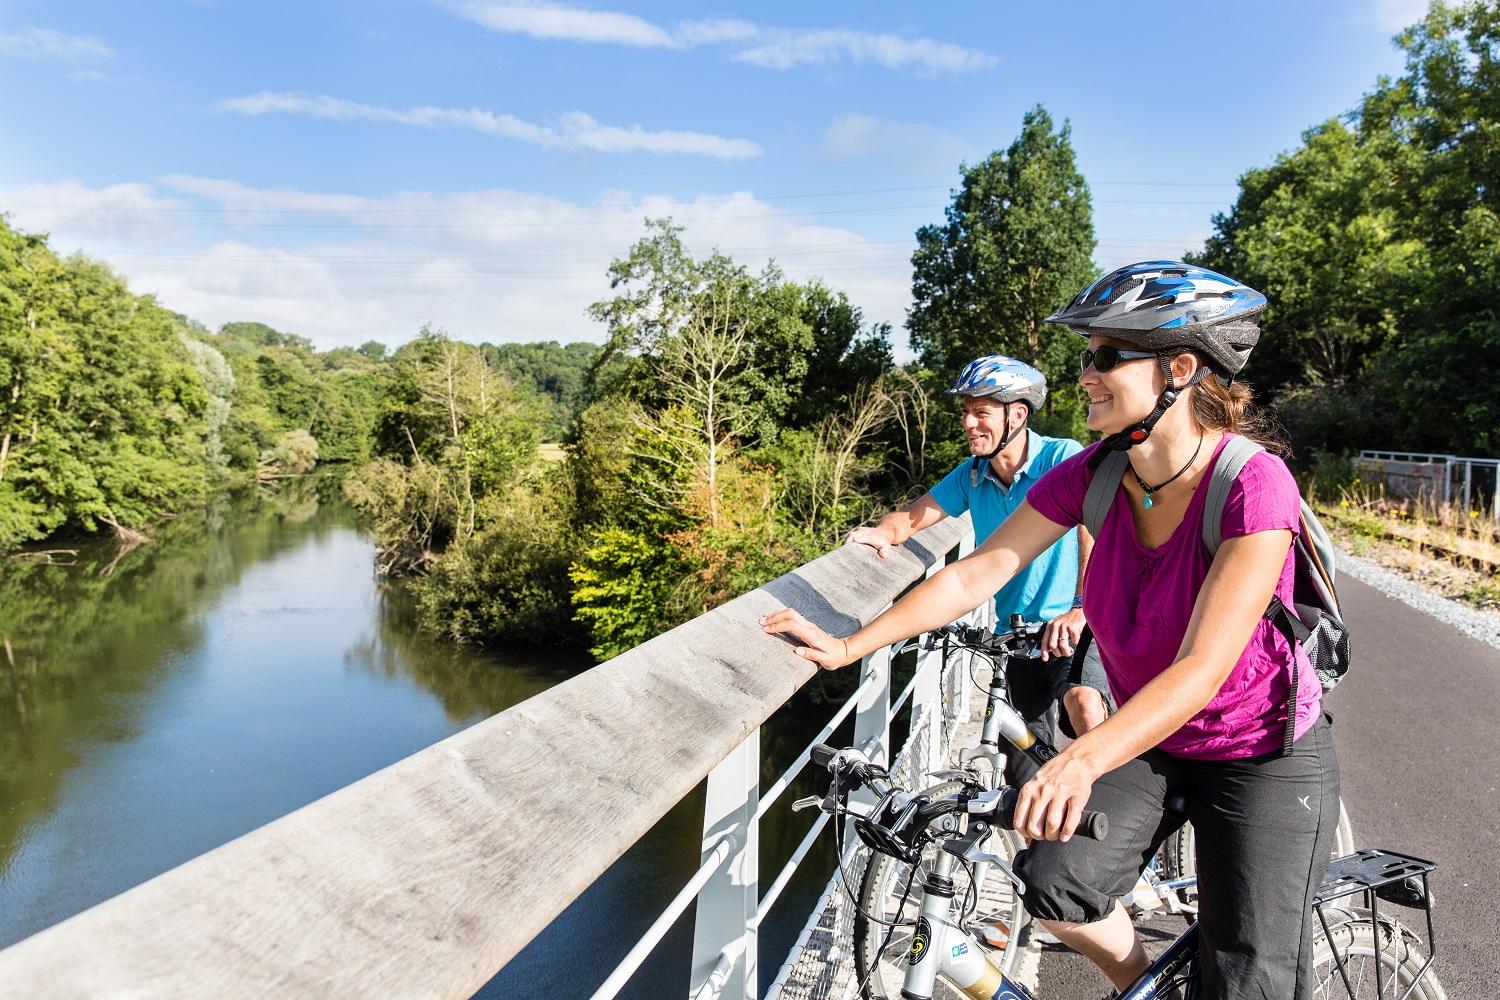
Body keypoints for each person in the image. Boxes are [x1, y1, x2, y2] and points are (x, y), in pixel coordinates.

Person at [762, 262, 1339, 999]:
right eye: (1086, 358)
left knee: (1250, 973)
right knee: (1056, 882)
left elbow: (1203, 667)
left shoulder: (1253, 485)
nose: (1085, 377)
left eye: (1104, 358)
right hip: (1153, 738)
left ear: (1181, 370)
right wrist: (851, 643)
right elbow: (977, 574)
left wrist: (1079, 760)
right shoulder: (1095, 474)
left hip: (1259, 751)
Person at [844, 354, 1110, 777]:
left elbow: (1092, 528)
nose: (969, 423)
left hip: (1075, 624)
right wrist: (883, 533)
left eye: (981, 412)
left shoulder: (1060, 457)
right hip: (1016, 636)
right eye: (966, 412)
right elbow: (911, 518)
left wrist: (1081, 606)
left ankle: (1120, 813)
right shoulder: (972, 475)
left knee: (1084, 702)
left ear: (1017, 415)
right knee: (1025, 774)